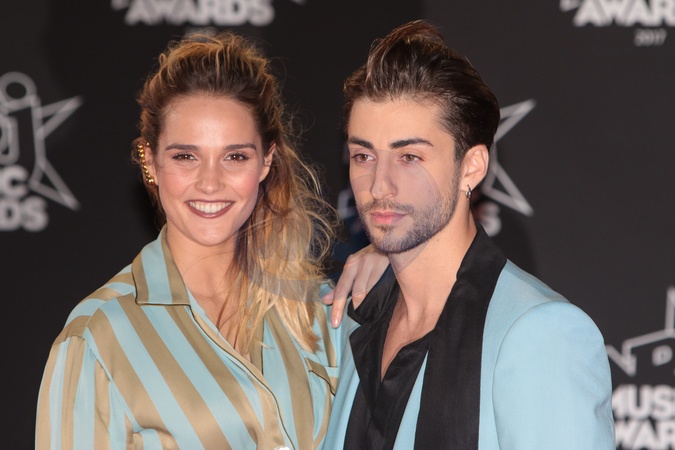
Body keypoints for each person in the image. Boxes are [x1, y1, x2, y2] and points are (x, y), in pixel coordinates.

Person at [36, 31, 386, 450]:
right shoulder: (98, 336)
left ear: (266, 161)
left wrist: (397, 264)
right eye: (186, 156)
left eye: (235, 156)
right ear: (151, 162)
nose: (210, 182)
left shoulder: (319, 312)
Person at [325, 20, 615, 449]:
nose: (379, 185)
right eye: (363, 156)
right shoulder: (349, 322)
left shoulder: (541, 335)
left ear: (472, 167)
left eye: (409, 156)